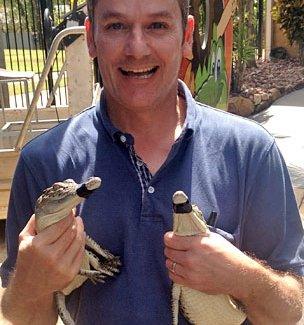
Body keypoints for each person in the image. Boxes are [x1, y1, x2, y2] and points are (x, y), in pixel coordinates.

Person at [0, 0, 303, 324]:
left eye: (157, 26)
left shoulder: (251, 155)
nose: (137, 48)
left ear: (186, 36)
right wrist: (31, 284)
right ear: (91, 38)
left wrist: (242, 277)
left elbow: (290, 309)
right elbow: (26, 317)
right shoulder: (43, 164)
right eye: (116, 26)